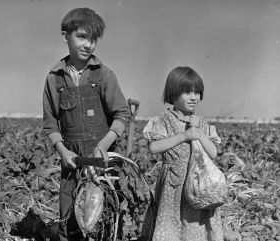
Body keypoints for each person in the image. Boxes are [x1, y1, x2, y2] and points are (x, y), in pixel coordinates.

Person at [42, 8, 131, 241]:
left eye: (93, 39)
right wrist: (63, 152)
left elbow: (122, 115)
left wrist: (104, 145)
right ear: (65, 36)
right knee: (68, 221)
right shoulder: (54, 79)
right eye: (82, 37)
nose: (88, 44)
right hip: (71, 162)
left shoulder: (104, 75)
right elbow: (50, 124)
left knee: (104, 220)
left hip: (102, 162)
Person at [143, 66, 224, 241]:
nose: (194, 97)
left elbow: (214, 153)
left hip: (198, 186)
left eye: (197, 92)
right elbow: (154, 147)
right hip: (173, 185)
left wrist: (199, 133)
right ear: (173, 93)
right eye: (187, 92)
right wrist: (185, 135)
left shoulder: (202, 123)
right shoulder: (162, 120)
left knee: (197, 227)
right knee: (171, 225)